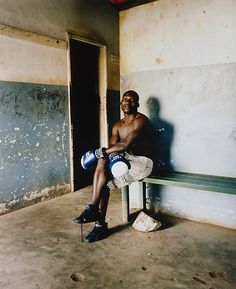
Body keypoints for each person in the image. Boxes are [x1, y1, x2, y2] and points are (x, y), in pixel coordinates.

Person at [73, 90, 154, 242]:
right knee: (103, 168)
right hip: (126, 160)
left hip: (142, 163)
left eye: (131, 100)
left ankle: (95, 215)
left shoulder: (141, 121)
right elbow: (112, 149)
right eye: (125, 99)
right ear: (121, 103)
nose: (127, 102)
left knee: (102, 159)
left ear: (137, 103)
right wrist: (102, 154)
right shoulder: (117, 125)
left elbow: (124, 145)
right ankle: (96, 218)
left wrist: (99, 152)